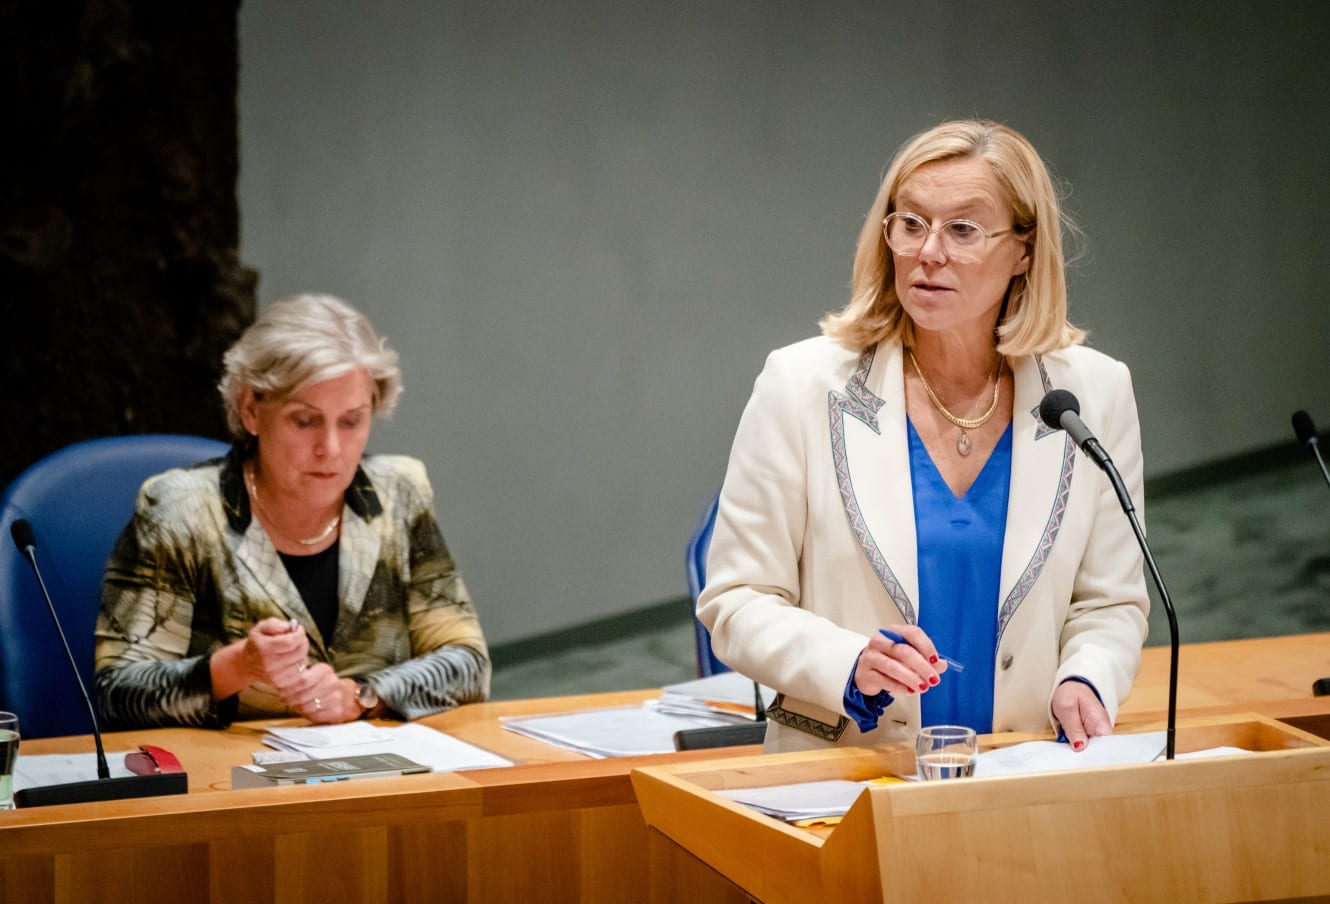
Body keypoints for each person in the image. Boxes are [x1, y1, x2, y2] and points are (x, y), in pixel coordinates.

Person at [698, 120, 1149, 754]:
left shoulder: (1094, 394)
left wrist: (1087, 678)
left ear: (1024, 251)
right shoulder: (799, 386)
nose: (928, 252)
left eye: (963, 230)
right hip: (846, 772)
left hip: (1019, 767)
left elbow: (1110, 604)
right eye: (911, 223)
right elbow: (737, 599)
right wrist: (847, 662)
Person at [96, 294, 490, 729]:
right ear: (251, 410)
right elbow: (116, 695)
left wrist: (364, 695)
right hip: (229, 767)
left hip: (377, 762)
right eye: (305, 421)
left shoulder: (400, 494)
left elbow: (469, 665)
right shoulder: (181, 510)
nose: (331, 448)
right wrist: (236, 667)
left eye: (352, 420)